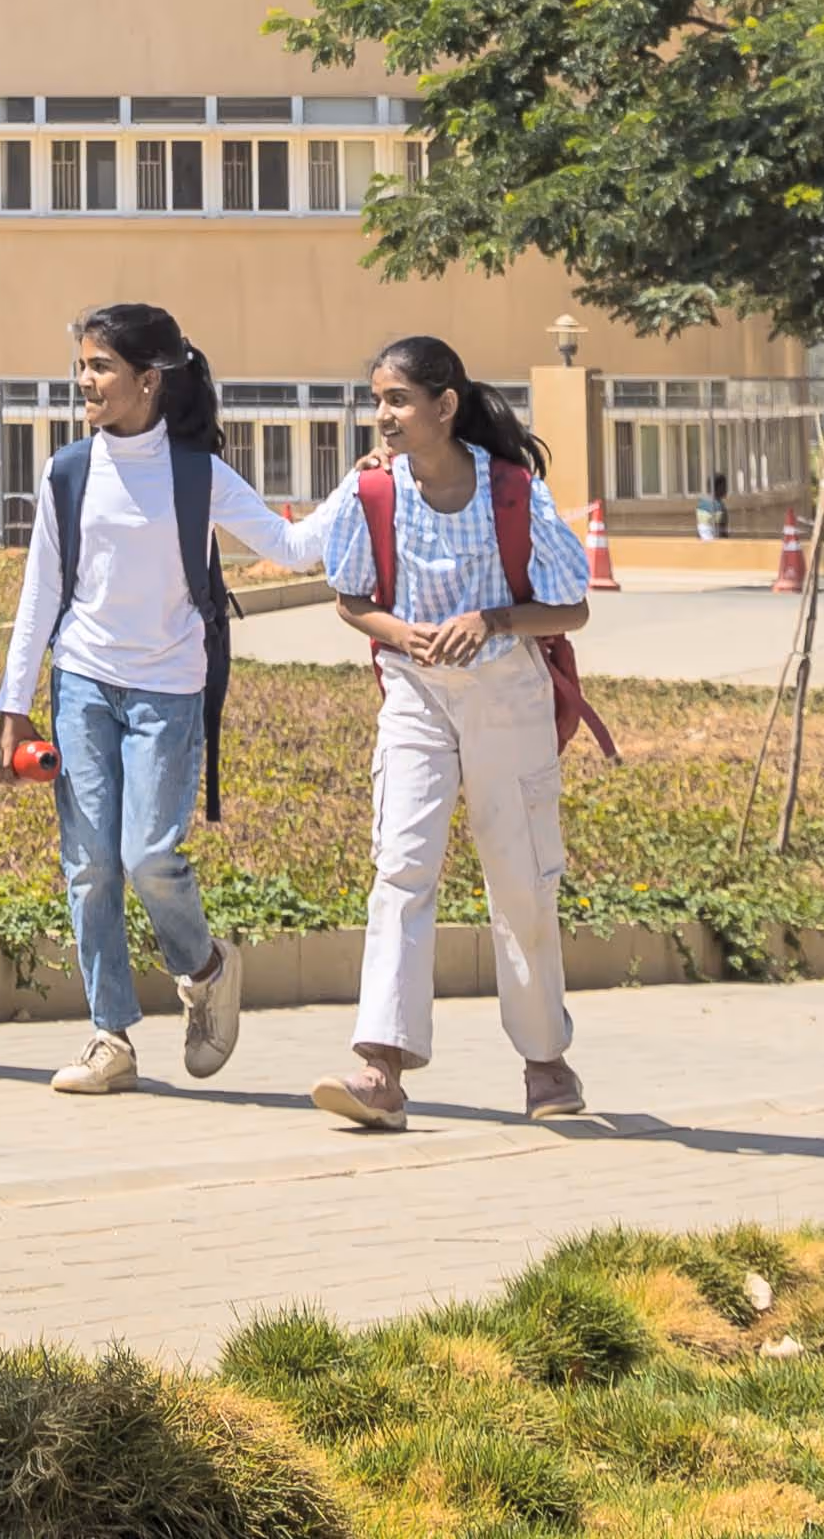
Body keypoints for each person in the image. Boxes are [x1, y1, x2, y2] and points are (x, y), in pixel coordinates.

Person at [0, 300, 299, 1098]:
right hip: (83, 683)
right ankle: (110, 1037)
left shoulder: (196, 472)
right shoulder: (68, 470)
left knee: (146, 858)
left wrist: (379, 486)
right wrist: (13, 703)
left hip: (168, 688)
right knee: (89, 866)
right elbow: (41, 593)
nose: (84, 380)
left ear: (148, 380)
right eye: (83, 365)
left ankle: (204, 966)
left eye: (99, 367)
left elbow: (293, 546)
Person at [306, 333, 597, 1133]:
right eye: (376, 400)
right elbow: (349, 598)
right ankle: (380, 1069)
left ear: (444, 405)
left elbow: (571, 606)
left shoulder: (512, 491)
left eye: (398, 400)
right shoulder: (372, 492)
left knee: (521, 882)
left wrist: (490, 620)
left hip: (507, 696)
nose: (384, 416)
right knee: (400, 866)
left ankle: (545, 1063)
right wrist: (403, 635)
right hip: (412, 695)